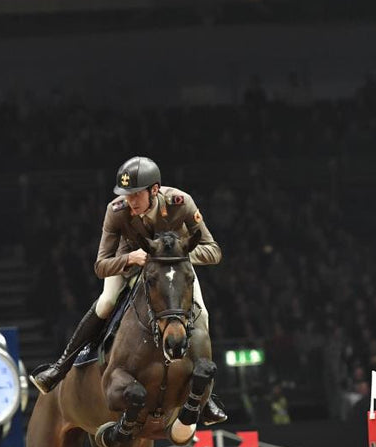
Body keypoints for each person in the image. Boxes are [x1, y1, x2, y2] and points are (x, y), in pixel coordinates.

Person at [29, 156, 227, 424]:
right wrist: (130, 259)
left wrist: (174, 256)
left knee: (201, 315)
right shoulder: (117, 210)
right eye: (127, 195)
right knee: (107, 302)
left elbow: (213, 250)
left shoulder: (180, 202)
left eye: (136, 194)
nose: (131, 201)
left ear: (154, 190)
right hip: (130, 264)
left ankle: (205, 398)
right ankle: (59, 367)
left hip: (173, 269)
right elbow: (101, 265)